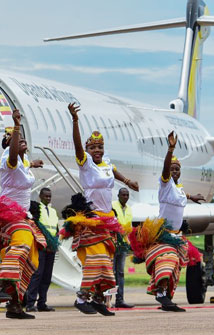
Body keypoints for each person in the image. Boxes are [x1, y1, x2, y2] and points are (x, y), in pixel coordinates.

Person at [60, 102, 139, 316]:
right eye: (93, 147)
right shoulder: (86, 164)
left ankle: (98, 299)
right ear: (87, 150)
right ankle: (80, 298)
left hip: (107, 220)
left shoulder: (107, 165)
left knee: (107, 264)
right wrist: (75, 121)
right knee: (96, 261)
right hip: (92, 219)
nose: (97, 150)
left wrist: (128, 182)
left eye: (100, 147)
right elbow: (77, 146)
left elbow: (114, 172)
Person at [0, 109, 48, 319]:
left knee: (32, 259)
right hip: (7, 215)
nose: (21, 140)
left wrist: (33, 163)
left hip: (22, 216)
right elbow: (13, 158)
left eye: (22, 138)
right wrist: (16, 126)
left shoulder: (23, 163)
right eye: (16, 139)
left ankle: (14, 305)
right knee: (22, 244)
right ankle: (0, 284)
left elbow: (22, 163)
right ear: (9, 144)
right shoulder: (9, 159)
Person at [128, 131, 205, 312]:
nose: (174, 172)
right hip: (164, 234)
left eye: (177, 169)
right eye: (171, 169)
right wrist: (170, 150)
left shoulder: (178, 188)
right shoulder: (165, 183)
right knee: (167, 260)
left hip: (177, 236)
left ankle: (167, 298)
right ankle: (160, 293)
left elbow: (180, 196)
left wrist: (192, 196)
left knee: (176, 266)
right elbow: (166, 172)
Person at [26, 187, 59, 312]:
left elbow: (55, 227)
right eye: (46, 196)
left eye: (50, 196)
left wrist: (55, 241)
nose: (48, 198)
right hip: (40, 245)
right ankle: (30, 303)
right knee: (37, 274)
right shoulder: (36, 209)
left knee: (47, 276)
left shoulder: (53, 211)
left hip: (51, 247)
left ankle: (42, 303)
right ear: (40, 196)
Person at [111, 188, 134, 308]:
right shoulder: (113, 206)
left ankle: (119, 299)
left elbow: (128, 227)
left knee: (120, 273)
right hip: (114, 243)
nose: (125, 197)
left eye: (127, 195)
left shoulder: (129, 209)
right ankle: (108, 299)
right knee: (111, 272)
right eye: (123, 195)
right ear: (118, 195)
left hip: (123, 244)